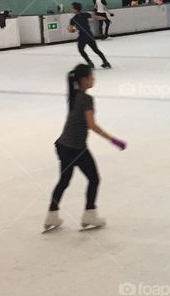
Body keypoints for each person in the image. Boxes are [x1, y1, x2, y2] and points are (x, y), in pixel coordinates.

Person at [44, 64, 127, 232]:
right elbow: (92, 125)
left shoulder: (74, 96)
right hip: (76, 148)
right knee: (94, 179)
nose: (93, 79)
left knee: (64, 181)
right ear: (84, 80)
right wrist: (113, 140)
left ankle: (51, 215)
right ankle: (90, 214)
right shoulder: (86, 99)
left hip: (62, 145)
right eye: (91, 77)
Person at [68, 2, 111, 69]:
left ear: (76, 9)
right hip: (89, 35)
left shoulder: (74, 19)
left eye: (72, 8)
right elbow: (95, 17)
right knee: (95, 50)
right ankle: (105, 62)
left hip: (83, 37)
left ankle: (90, 63)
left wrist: (71, 29)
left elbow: (70, 29)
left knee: (81, 50)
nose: (70, 9)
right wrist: (105, 18)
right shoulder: (83, 15)